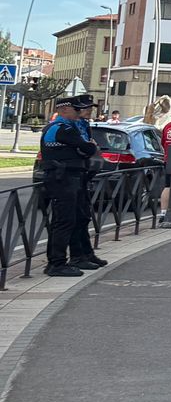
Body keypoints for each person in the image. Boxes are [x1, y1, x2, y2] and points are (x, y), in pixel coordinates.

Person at [37, 94, 103, 276]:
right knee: (64, 221)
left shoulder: (71, 126)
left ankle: (80, 255)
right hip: (63, 178)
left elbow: (86, 149)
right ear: (64, 109)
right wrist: (88, 147)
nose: (81, 112)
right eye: (77, 109)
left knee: (78, 218)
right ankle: (57, 263)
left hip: (71, 177)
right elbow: (88, 148)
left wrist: (87, 148)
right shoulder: (63, 128)